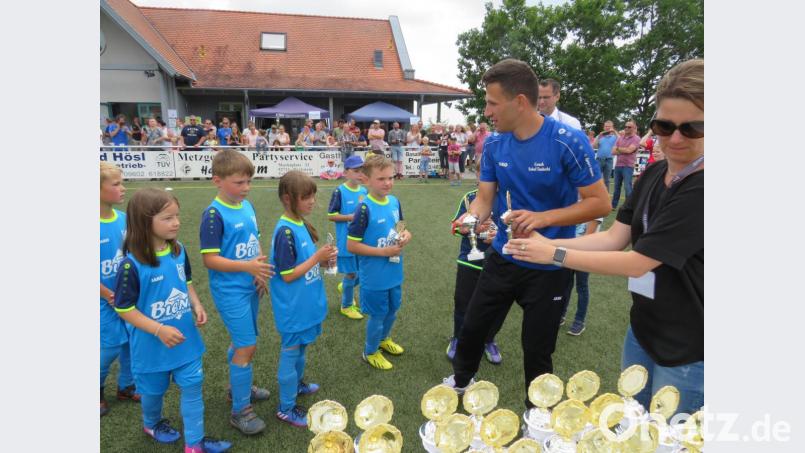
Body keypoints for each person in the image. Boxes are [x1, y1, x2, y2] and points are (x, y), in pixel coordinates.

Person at [506, 59, 704, 416]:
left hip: (693, 346)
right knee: (633, 423)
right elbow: (615, 237)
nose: (674, 138)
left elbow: (637, 261)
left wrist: (553, 255)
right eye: (664, 126)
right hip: (645, 328)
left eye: (692, 128)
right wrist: (548, 244)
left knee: (669, 436)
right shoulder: (655, 172)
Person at [442, 59, 609, 407]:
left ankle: (537, 419)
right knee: (472, 328)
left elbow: (600, 203)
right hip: (504, 256)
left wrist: (542, 218)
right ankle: (460, 381)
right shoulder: (493, 144)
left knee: (537, 349)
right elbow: (484, 200)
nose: (486, 111)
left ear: (519, 101)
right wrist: (469, 219)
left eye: (491, 102)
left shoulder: (567, 141)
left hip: (549, 264)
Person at [113, 188, 232, 453]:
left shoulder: (179, 251)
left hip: (185, 342)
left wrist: (197, 304)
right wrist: (158, 330)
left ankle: (194, 443)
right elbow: (124, 309)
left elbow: (186, 281)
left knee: (192, 388)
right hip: (151, 348)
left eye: (176, 216)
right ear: (144, 222)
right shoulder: (131, 265)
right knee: (153, 393)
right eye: (167, 218)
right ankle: (152, 423)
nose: (176, 222)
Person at [199, 150, 273, 436]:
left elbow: (254, 244)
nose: (246, 188)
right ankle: (239, 411)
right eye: (239, 183)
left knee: (244, 341)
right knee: (247, 346)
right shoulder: (213, 215)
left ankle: (237, 388)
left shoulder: (247, 205)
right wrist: (247, 266)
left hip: (249, 285)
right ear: (218, 180)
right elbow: (210, 259)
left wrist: (260, 272)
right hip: (230, 291)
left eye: (248, 182)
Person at [269, 171, 335, 427]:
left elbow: (304, 264)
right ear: (288, 199)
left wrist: (323, 260)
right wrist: (317, 258)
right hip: (293, 307)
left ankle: (296, 384)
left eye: (313, 196)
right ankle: (286, 407)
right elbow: (287, 275)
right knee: (291, 350)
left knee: (302, 347)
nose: (312, 202)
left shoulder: (299, 224)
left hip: (306, 303)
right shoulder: (285, 231)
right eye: (306, 197)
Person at [347, 155, 412, 370]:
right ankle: (370, 351)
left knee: (393, 309)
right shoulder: (363, 209)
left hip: (394, 270)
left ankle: (383, 340)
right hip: (374, 276)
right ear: (366, 180)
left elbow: (400, 227)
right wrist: (383, 251)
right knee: (378, 314)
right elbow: (352, 246)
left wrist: (405, 235)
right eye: (381, 178)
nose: (388, 183)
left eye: (391, 177)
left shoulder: (394, 202)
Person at [447, 188, 508, 364]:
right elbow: (455, 228)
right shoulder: (470, 197)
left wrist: (499, 237)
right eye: (482, 173)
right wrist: (470, 229)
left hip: (499, 261)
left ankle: (488, 340)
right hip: (469, 260)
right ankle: (458, 338)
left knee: (498, 305)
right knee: (463, 302)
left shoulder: (509, 195)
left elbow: (516, 229)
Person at [99, 163, 140, 417]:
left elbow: (132, 257)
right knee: (111, 345)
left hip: (125, 296)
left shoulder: (124, 220)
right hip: (104, 299)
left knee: (130, 342)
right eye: (116, 184)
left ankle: (126, 385)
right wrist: (105, 293)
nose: (122, 188)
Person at [327, 155, 369, 319]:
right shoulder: (339, 191)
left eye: (362, 170)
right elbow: (331, 215)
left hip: (361, 241)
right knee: (351, 274)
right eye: (356, 170)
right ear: (346, 172)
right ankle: (346, 306)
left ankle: (345, 286)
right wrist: (350, 217)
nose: (360, 174)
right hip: (346, 241)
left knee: (360, 272)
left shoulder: (363, 191)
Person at [560, 215, 603, 336]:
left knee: (582, 287)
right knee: (565, 283)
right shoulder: (575, 201)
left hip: (584, 254)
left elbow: (588, 236)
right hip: (569, 250)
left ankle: (579, 321)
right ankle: (561, 314)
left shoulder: (596, 207)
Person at [611, 119, 641, 210]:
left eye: (629, 127)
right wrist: (623, 149)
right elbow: (613, 152)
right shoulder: (620, 138)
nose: (627, 128)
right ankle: (613, 206)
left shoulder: (637, 138)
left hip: (628, 165)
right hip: (618, 165)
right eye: (626, 126)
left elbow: (629, 150)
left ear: (634, 128)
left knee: (627, 187)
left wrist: (619, 149)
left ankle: (630, 206)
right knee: (616, 187)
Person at [593, 120, 618, 192]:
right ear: (604, 127)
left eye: (609, 126)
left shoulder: (614, 137)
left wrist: (614, 131)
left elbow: (620, 140)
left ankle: (606, 196)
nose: (607, 128)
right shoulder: (600, 136)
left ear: (612, 127)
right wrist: (598, 136)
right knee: (596, 178)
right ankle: (596, 194)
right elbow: (594, 146)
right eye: (606, 126)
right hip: (599, 159)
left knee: (607, 180)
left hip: (609, 160)